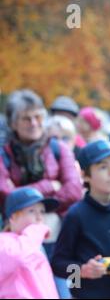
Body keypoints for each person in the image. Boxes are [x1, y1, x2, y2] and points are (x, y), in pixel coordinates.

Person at [51, 140, 110, 298]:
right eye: (103, 167)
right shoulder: (75, 215)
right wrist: (82, 271)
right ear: (85, 175)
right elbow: (58, 265)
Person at [0, 89, 82, 220]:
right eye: (26, 119)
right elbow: (5, 196)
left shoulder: (60, 148)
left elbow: (73, 192)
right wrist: (49, 185)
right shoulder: (3, 155)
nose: (34, 123)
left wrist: (19, 192)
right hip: (15, 232)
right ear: (13, 124)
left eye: (38, 117)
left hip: (54, 230)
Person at [0, 187, 59, 298]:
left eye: (42, 212)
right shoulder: (4, 240)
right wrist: (35, 230)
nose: (39, 217)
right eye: (31, 211)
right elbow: (17, 256)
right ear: (13, 217)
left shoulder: (32, 243)